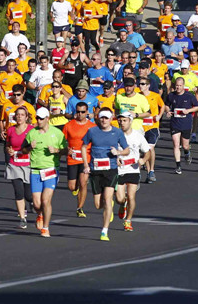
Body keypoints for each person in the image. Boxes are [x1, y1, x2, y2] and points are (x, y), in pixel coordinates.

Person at [81, 109, 130, 241]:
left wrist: (118, 153)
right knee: (98, 204)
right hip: (95, 170)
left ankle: (104, 230)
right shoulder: (92, 131)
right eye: (102, 118)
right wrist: (86, 165)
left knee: (108, 199)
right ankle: (108, 205)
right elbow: (84, 147)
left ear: (111, 119)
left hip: (111, 169)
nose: (104, 120)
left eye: (106, 118)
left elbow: (127, 150)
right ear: (98, 118)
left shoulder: (117, 132)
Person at [20, 107, 66, 238]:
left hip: (51, 170)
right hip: (35, 170)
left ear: (47, 119)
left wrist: (56, 151)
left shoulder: (57, 133)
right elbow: (23, 150)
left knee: (45, 201)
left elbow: (66, 150)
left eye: (41, 118)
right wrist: (29, 147)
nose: (38, 121)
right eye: (37, 118)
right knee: (37, 204)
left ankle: (45, 228)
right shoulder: (31, 133)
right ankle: (40, 214)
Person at [114, 111, 150, 232]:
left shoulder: (137, 135)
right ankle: (122, 204)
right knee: (119, 198)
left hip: (133, 169)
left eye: (124, 120)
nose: (122, 123)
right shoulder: (115, 134)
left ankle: (128, 221)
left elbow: (147, 151)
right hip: (119, 170)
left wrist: (143, 160)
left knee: (131, 196)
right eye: (120, 120)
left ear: (130, 121)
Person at [162, 77, 198, 175]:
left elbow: (197, 107)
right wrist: (168, 111)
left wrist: (188, 111)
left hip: (186, 123)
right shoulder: (171, 95)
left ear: (183, 86)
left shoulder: (189, 96)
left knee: (185, 145)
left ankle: (187, 153)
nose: (178, 88)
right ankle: (178, 165)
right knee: (175, 144)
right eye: (177, 86)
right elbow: (166, 105)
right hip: (175, 123)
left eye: (180, 86)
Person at [4, 106, 34, 229]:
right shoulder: (11, 130)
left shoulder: (32, 130)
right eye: (18, 114)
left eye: (22, 115)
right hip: (14, 164)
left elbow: (36, 147)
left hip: (28, 165)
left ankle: (31, 202)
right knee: (18, 191)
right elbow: (7, 145)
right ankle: (22, 218)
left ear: (26, 117)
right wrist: (9, 150)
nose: (19, 117)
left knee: (28, 195)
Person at [62, 102, 94, 218]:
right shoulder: (69, 125)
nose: (80, 114)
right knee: (72, 186)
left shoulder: (92, 127)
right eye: (78, 112)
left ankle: (80, 208)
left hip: (87, 158)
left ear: (87, 112)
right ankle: (75, 189)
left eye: (82, 112)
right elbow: (62, 141)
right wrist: (66, 149)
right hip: (73, 158)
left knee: (83, 183)